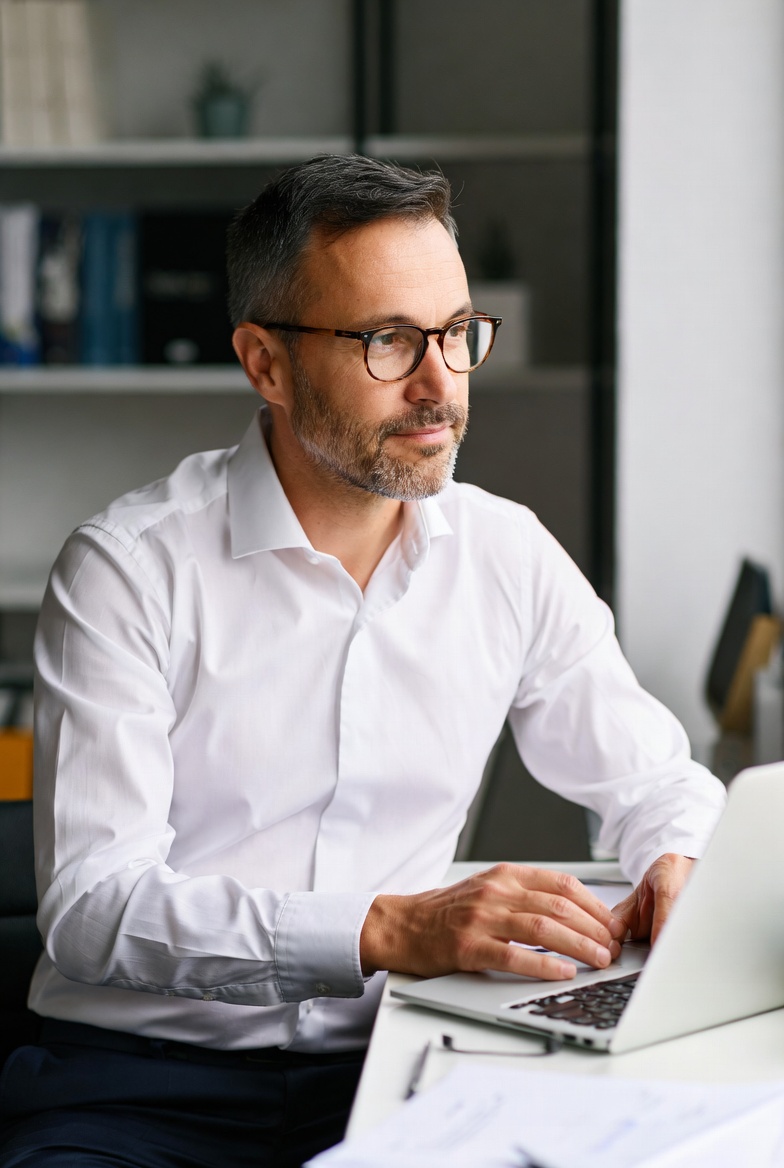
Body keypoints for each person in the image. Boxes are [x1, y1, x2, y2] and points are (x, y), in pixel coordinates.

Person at [0, 155, 726, 1167]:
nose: (439, 384)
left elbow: (650, 775)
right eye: (387, 340)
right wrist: (385, 928)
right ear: (265, 362)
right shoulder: (128, 569)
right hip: (139, 1085)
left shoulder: (504, 552)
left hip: (402, 1065)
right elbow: (93, 907)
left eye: (456, 333)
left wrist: (672, 860)